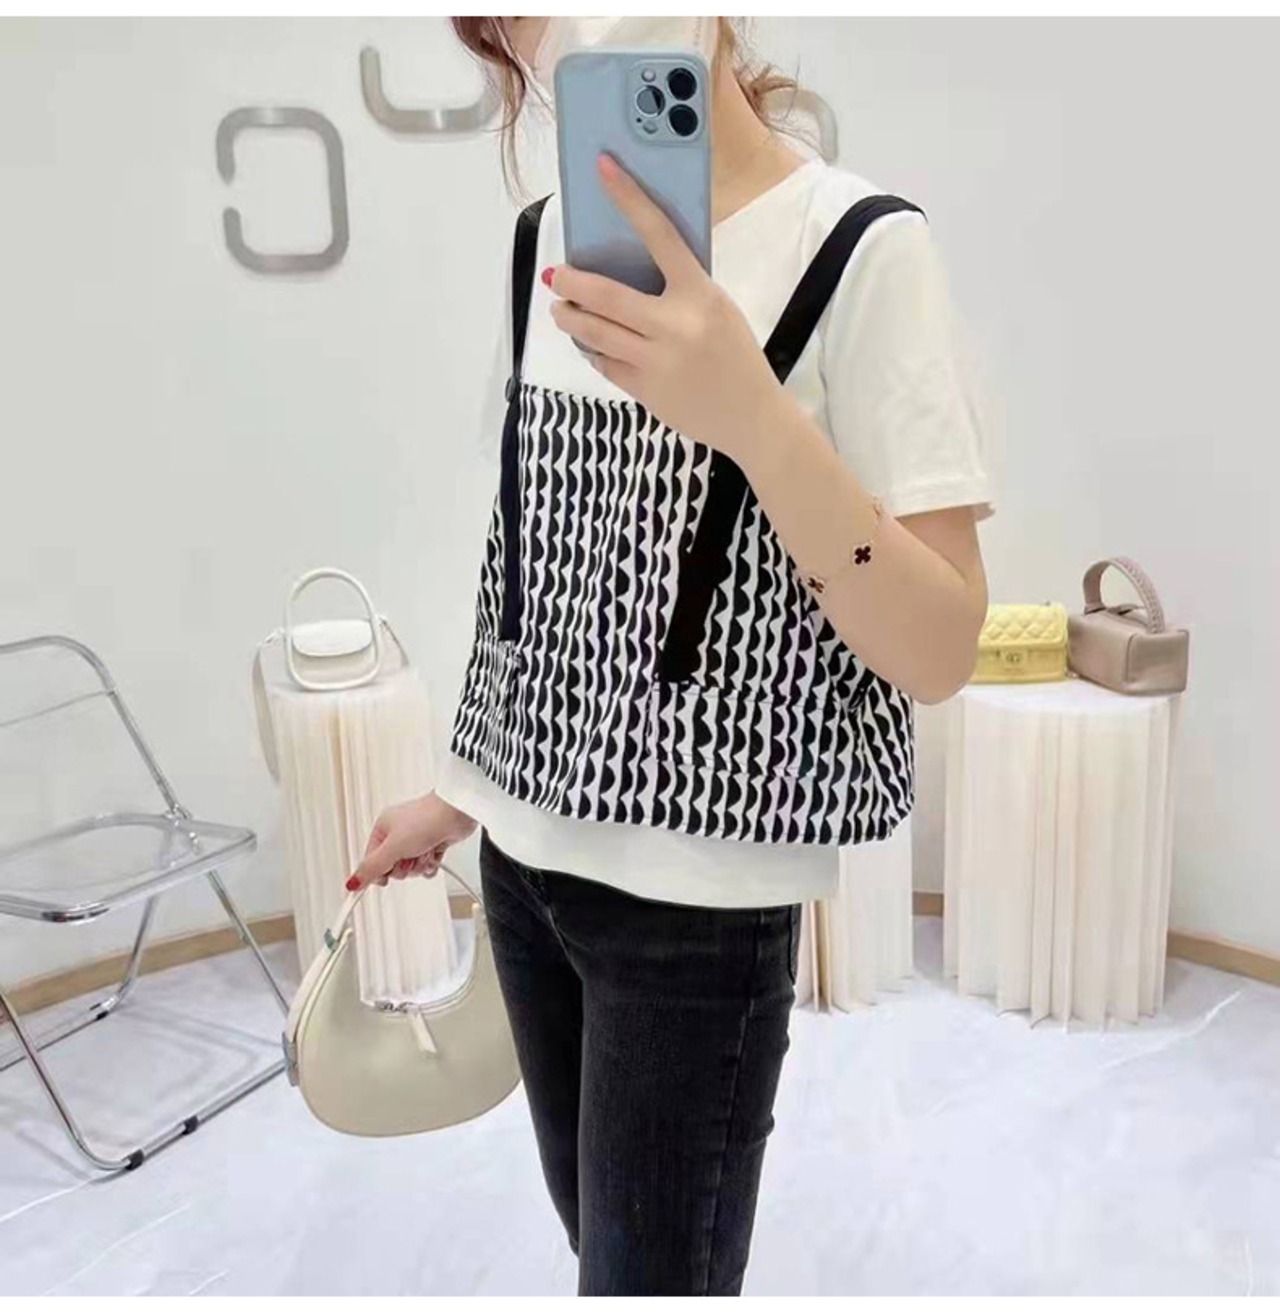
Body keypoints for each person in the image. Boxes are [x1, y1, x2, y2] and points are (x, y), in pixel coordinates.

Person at [350, 17, 995, 1297]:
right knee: (597, 1239)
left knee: (648, 1278)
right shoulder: (545, 242)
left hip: (695, 908)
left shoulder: (859, 247)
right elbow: (536, 565)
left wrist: (752, 415)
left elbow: (938, 646)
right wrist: (462, 793)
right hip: (523, 874)